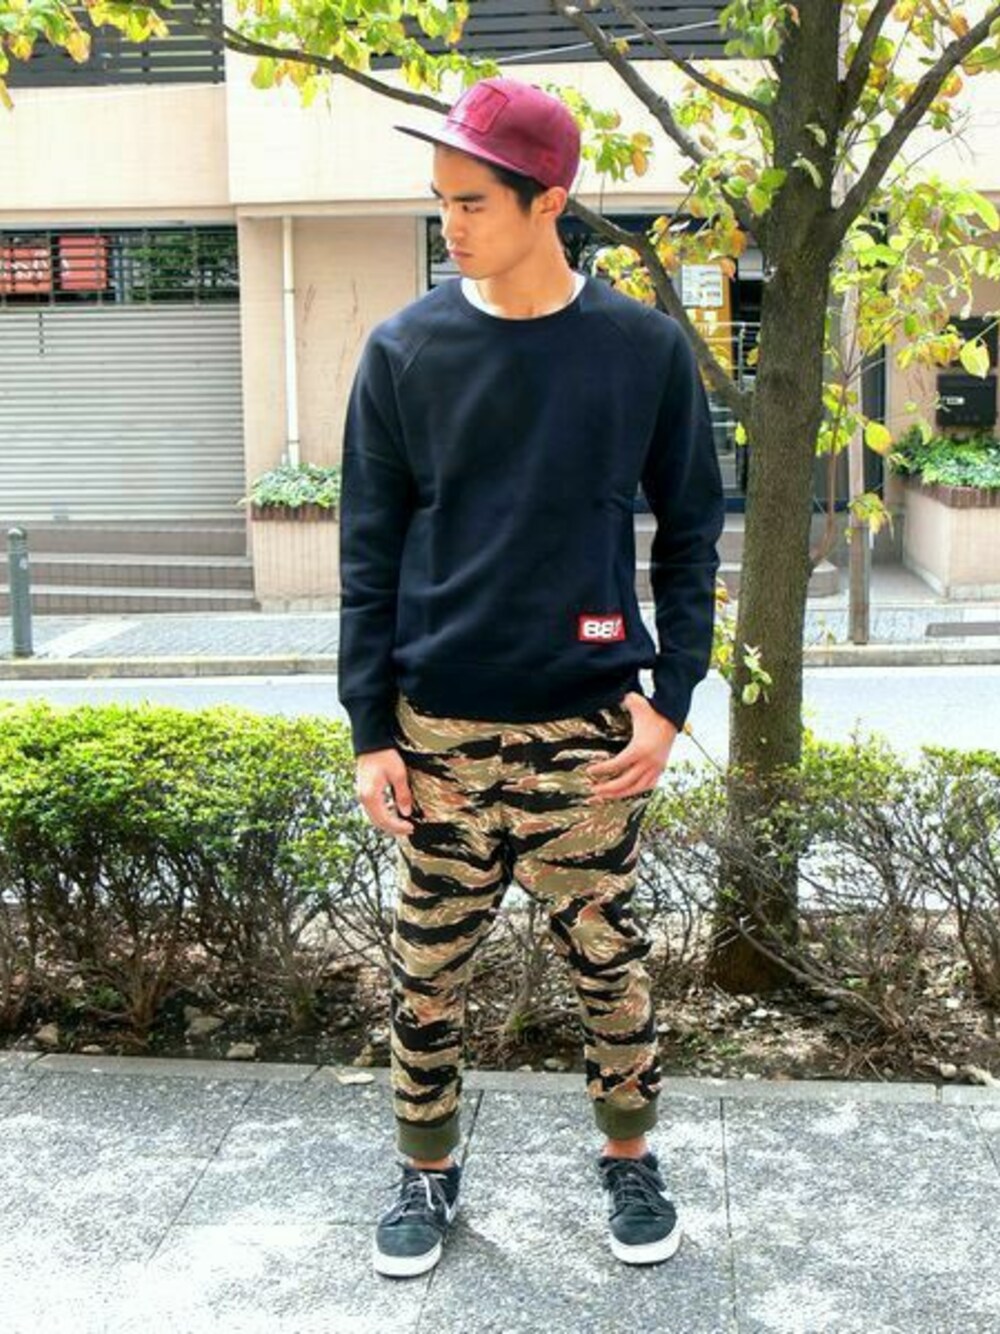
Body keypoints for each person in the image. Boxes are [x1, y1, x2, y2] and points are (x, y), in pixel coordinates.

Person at [337, 74, 724, 1279]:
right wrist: (369, 726)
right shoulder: (404, 350)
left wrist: (672, 699)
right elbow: (368, 548)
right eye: (439, 200)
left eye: (471, 202)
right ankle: (425, 1170)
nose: (447, 225)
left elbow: (694, 533)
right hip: (438, 727)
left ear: (546, 200)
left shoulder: (642, 350)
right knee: (426, 968)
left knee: (609, 961)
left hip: (589, 729)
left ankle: (629, 1159)